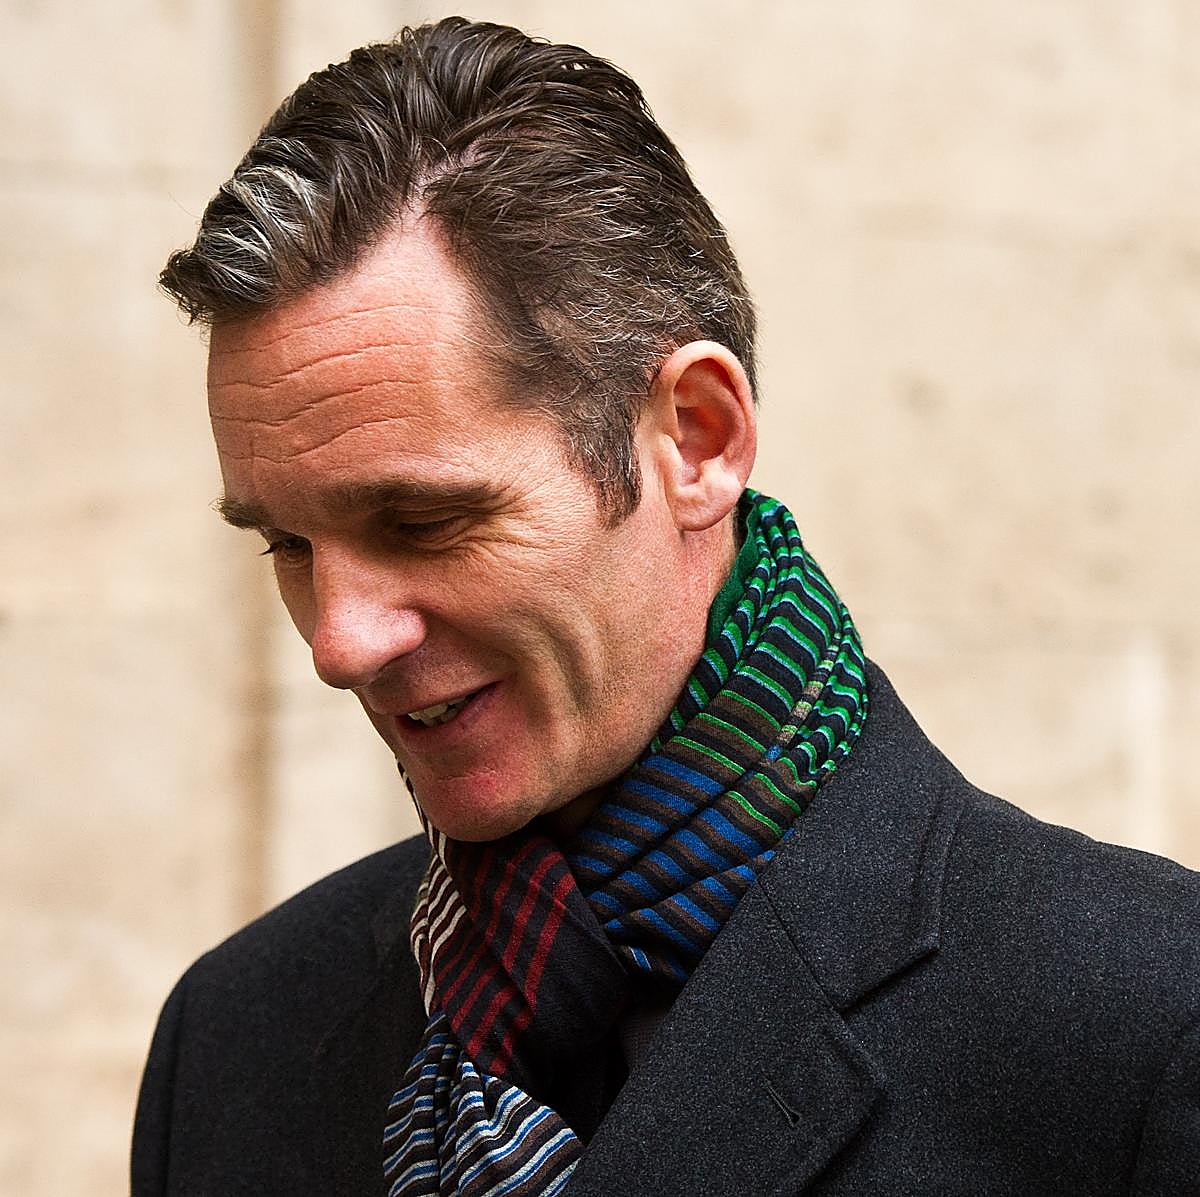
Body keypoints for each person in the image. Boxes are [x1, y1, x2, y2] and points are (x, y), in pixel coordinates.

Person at [132, 17, 1199, 1196]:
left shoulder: (1146, 1028)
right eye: (288, 543)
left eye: (422, 521)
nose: (339, 643)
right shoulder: (234, 1039)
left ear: (696, 438)